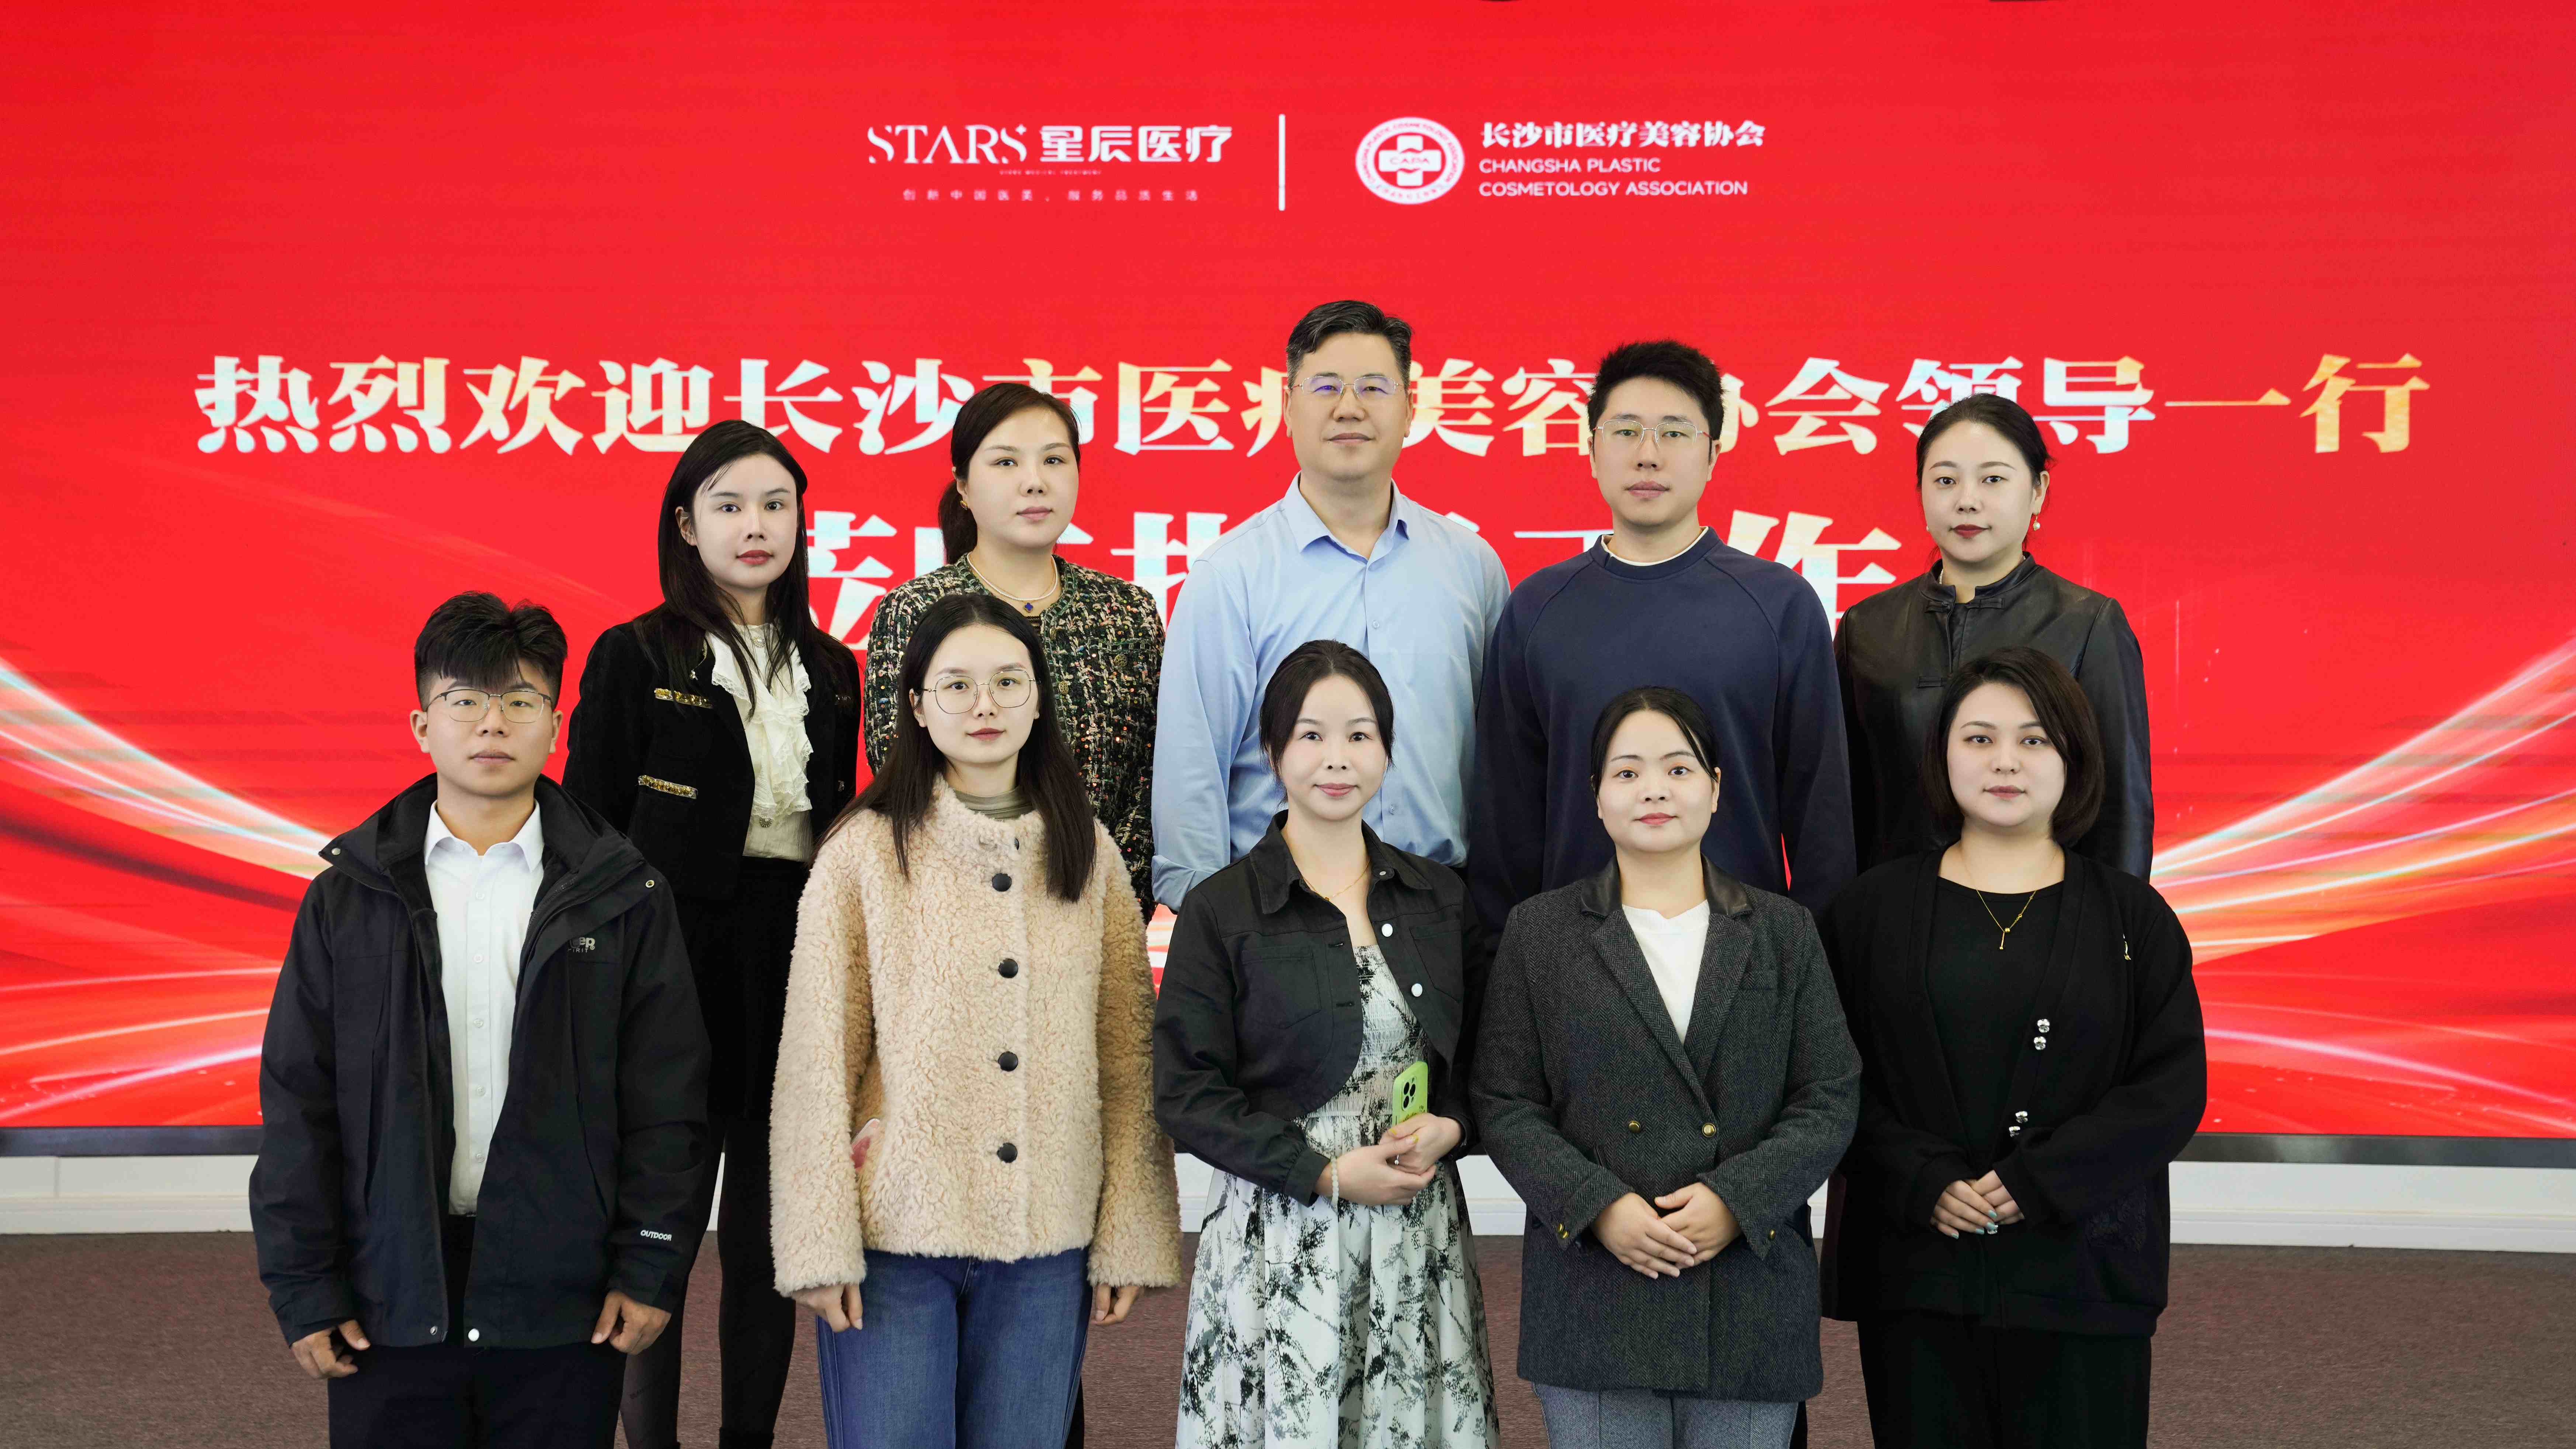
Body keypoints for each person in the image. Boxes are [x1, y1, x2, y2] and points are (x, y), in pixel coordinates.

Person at [251, 592, 708, 1449]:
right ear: (422, 725)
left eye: (520, 701)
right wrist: (304, 1286)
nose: (492, 723)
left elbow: (666, 1098)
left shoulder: (623, 895)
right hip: (390, 1293)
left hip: (564, 1296)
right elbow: (299, 1103)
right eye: (465, 700)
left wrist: (650, 1262)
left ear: (556, 725)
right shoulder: (348, 900)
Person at [769, 592, 1181, 1449]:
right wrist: (816, 1241)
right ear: (917, 707)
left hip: (1046, 1237)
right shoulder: (863, 852)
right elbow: (814, 1060)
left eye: (1007, 682)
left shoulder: (1090, 852)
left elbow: (1126, 1056)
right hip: (894, 1235)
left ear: (1038, 699)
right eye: (956, 685)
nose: (984, 704)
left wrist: (1130, 1228)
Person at [1817, 647, 2205, 1448]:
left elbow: (2169, 1089)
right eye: (1979, 738)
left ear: (2073, 759)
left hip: (2082, 1276)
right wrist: (1919, 1177)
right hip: (1917, 1272)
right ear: (1941, 755)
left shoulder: (2133, 917)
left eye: (2033, 740)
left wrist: (2038, 1181)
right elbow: (1825, 1078)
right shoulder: (1867, 912)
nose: (2005, 762)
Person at [562, 419, 860, 1449]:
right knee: (662, 1229)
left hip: (792, 960)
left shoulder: (831, 666)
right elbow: (587, 836)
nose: (755, 525)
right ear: (686, 525)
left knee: (766, 1240)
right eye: (728, 506)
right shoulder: (635, 654)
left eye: (776, 504)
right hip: (669, 961)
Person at [1474, 687, 1859, 1449]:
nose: (1654, 788)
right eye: (1627, 772)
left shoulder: (1783, 932)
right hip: (1594, 1293)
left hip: (1747, 1290)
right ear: (1595, 797)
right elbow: (1504, 1101)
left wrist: (1737, 1199)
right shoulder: (1539, 932)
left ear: (1715, 789)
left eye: (1678, 769)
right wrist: (1597, 1206)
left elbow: (1830, 1094)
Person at [1155, 640, 1498, 1448]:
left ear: (1386, 750)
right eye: (1310, 735)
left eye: (1359, 735)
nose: (1336, 758)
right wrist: (1324, 1172)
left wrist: (1452, 1126)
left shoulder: (1439, 896)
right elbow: (1185, 1092)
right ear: (1273, 752)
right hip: (1282, 1227)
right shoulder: (1221, 908)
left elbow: (1490, 1058)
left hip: (1414, 1220)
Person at [1470, 340, 1854, 945]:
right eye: (1625, 431)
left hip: (1744, 957)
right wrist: (1506, 967)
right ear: (1591, 449)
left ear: (1713, 454)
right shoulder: (1536, 609)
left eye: (1675, 433)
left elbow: (1822, 816)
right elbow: (1506, 822)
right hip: (1573, 961)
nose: (1647, 455)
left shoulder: (1781, 605)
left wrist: (1813, 969)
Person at [1152, 299, 1511, 910]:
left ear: (1410, 409)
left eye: (1373, 387)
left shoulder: (1471, 567)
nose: (1350, 407)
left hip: (1444, 910)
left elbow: (1499, 758)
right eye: (1325, 387)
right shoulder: (1231, 575)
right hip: (1281, 910)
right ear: (1287, 407)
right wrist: (1215, 925)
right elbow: (1193, 765)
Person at [865, 382, 1164, 920]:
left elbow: (1151, 778)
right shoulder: (914, 610)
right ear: (963, 485)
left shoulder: (1129, 612)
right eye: (1006, 462)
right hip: (951, 917)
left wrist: (1109, 897)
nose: (1034, 481)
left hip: (1097, 911)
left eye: (1055, 460)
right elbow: (901, 770)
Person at [1836, 392, 2153, 876]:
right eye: (1945, 480)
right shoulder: (1867, 627)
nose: (1967, 500)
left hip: (2043, 906)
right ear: (1921, 492)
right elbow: (1843, 800)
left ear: (2038, 491)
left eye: (1993, 479)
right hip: (1893, 907)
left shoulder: (2089, 624)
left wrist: (2113, 918)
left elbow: (2121, 810)